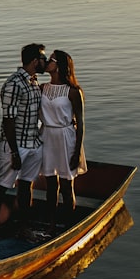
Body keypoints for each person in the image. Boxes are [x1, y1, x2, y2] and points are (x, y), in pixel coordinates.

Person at [0, 43, 48, 246]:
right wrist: (14, 152)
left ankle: (24, 228)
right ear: (35, 60)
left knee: (26, 186)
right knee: (2, 185)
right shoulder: (14, 84)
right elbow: (8, 120)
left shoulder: (34, 82)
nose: (45, 63)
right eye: (43, 59)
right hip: (16, 145)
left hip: (33, 143)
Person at [40, 49, 86, 226]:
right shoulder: (42, 88)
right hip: (47, 136)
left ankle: (69, 225)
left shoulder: (73, 91)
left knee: (67, 186)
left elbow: (80, 123)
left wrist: (77, 153)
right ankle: (51, 223)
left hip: (66, 138)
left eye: (50, 60)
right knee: (51, 185)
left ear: (58, 66)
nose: (47, 63)